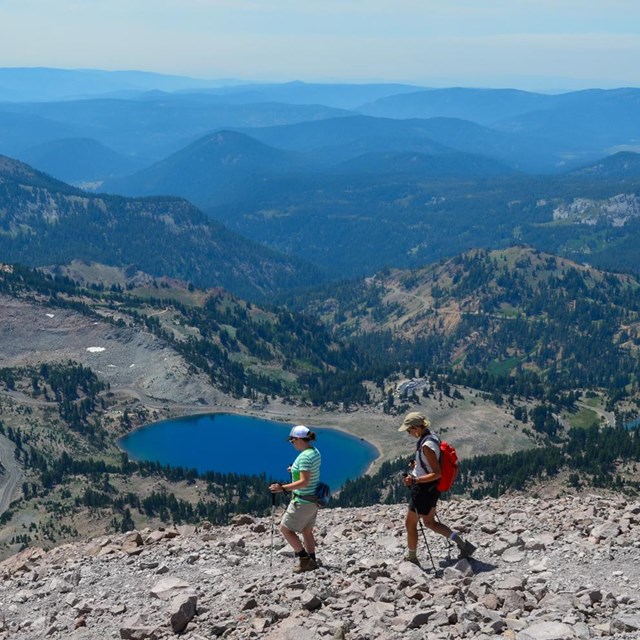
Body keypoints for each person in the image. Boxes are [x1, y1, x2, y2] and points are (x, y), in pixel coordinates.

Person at [399, 411, 476, 564]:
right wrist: (418, 464)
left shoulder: (426, 445)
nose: (408, 433)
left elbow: (437, 473)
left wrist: (415, 480)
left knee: (410, 523)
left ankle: (412, 558)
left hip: (423, 490)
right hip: (431, 489)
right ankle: (463, 545)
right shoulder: (431, 436)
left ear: (416, 428)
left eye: (409, 430)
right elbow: (434, 463)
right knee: (430, 522)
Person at [269, 425, 322, 573]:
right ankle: (312, 559)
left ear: (299, 439)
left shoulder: (304, 457)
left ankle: (304, 560)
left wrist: (283, 488)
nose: (291, 443)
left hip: (303, 501)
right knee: (306, 530)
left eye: (292, 440)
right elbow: (309, 472)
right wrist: (294, 470)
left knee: (285, 529)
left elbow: (304, 481)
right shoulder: (314, 452)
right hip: (314, 500)